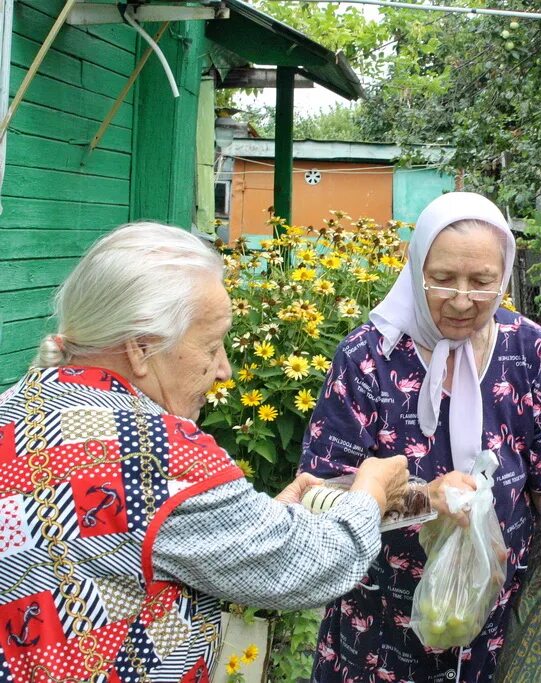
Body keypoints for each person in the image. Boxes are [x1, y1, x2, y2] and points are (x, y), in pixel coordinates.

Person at [0, 222, 409, 681]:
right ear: (141, 348)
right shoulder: (156, 453)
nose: (224, 371)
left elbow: (134, 540)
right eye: (212, 346)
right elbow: (307, 565)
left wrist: (244, 524)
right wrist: (371, 494)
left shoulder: (22, 404)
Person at [300, 191, 541, 682]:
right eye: (442, 280)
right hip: (378, 627)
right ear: (416, 271)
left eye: (481, 283)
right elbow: (315, 493)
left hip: (493, 627)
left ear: (504, 277)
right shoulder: (367, 359)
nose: (461, 300)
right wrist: (422, 500)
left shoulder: (532, 352)